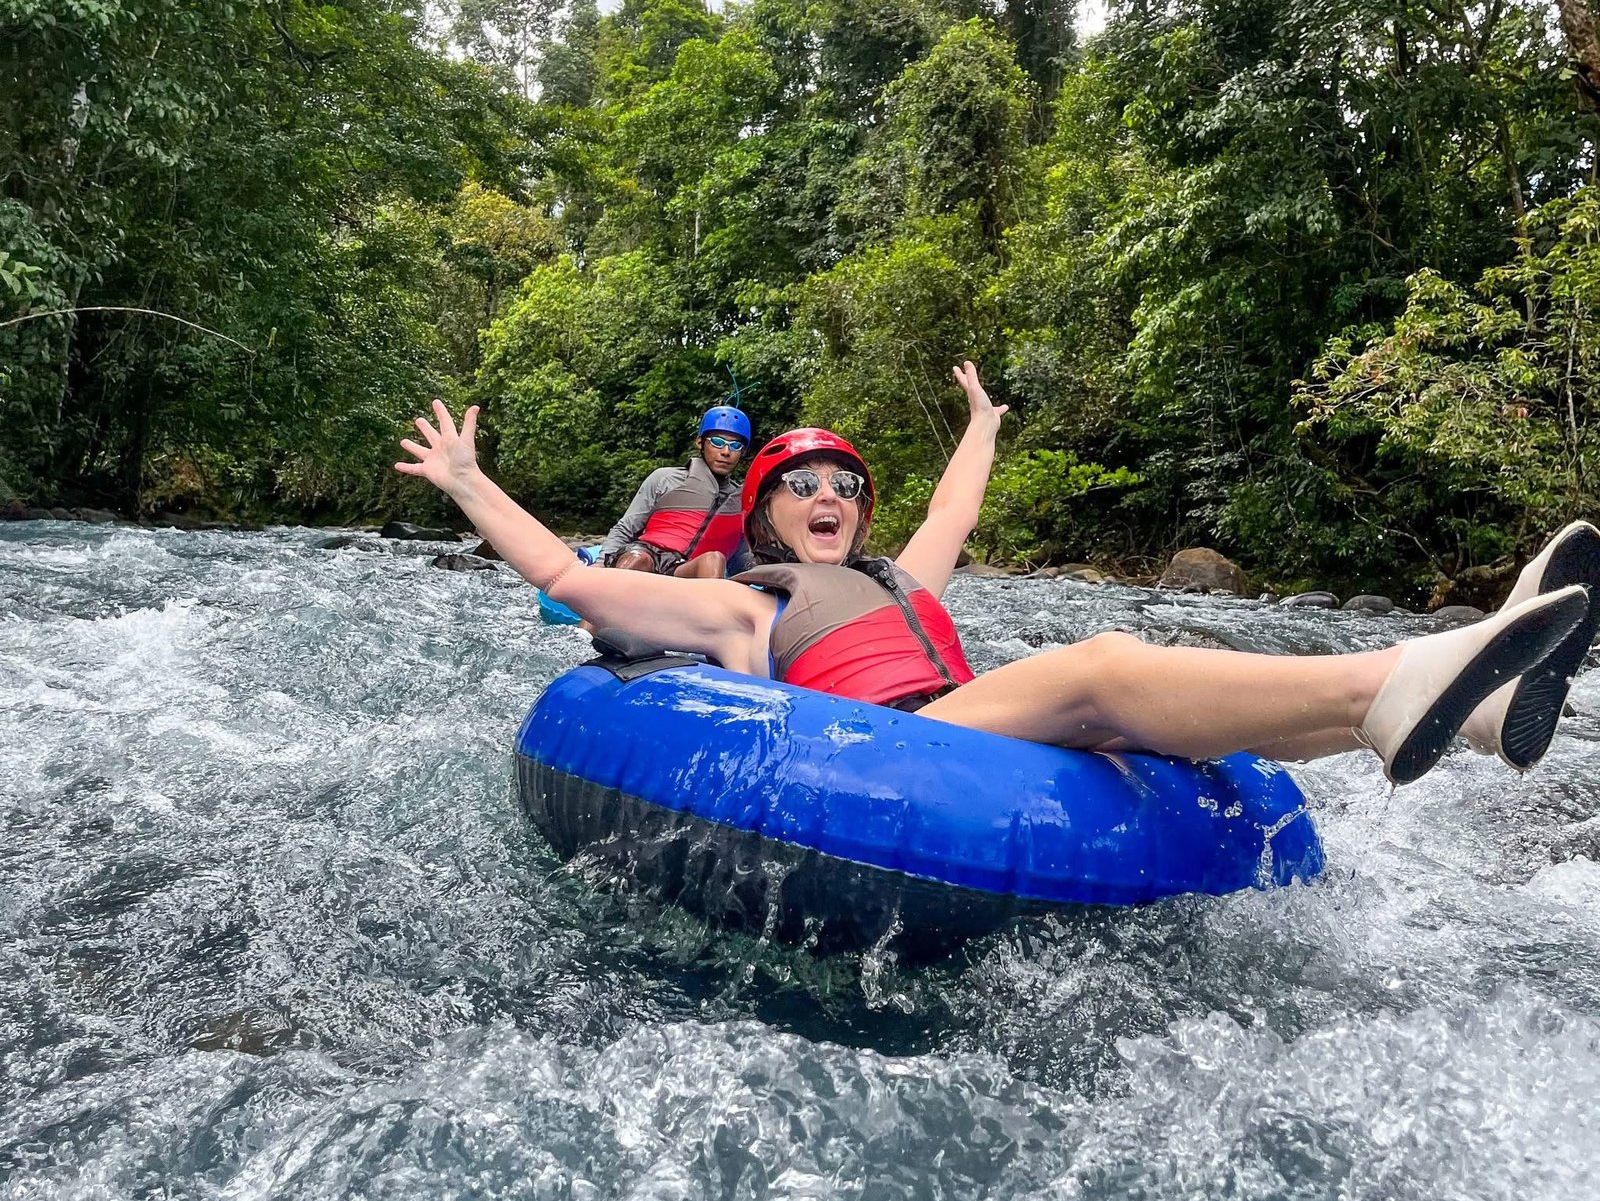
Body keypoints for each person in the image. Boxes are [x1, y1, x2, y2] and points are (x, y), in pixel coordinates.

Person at [397, 363, 1600, 786]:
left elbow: (957, 512)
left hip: (975, 730)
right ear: (762, 511)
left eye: (848, 488)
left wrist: (978, 423)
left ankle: (1477, 709)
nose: (831, 501)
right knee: (1096, 671)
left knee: (1146, 718)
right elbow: (573, 575)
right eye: (803, 488)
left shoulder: (896, 575)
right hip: (890, 751)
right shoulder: (740, 601)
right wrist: (465, 480)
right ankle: (1387, 684)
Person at [599, 406, 752, 580]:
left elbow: (740, 557)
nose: (725, 452)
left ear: (743, 452)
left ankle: (704, 605)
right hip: (647, 553)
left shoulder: (740, 501)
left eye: (735, 446)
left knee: (713, 560)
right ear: (700, 443)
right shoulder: (665, 478)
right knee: (637, 560)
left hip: (684, 568)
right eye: (717, 442)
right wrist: (601, 562)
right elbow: (626, 527)